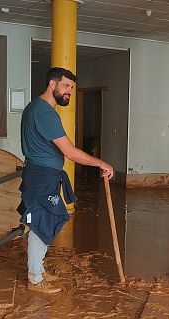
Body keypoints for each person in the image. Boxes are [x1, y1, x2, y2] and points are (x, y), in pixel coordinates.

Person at [19, 67, 114, 293]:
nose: (69, 91)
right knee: (42, 223)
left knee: (45, 221)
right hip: (42, 175)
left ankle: (38, 271)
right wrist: (100, 163)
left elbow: (63, 147)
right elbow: (70, 152)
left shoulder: (36, 107)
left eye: (71, 87)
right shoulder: (44, 112)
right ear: (52, 85)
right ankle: (35, 278)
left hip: (42, 174)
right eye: (66, 86)